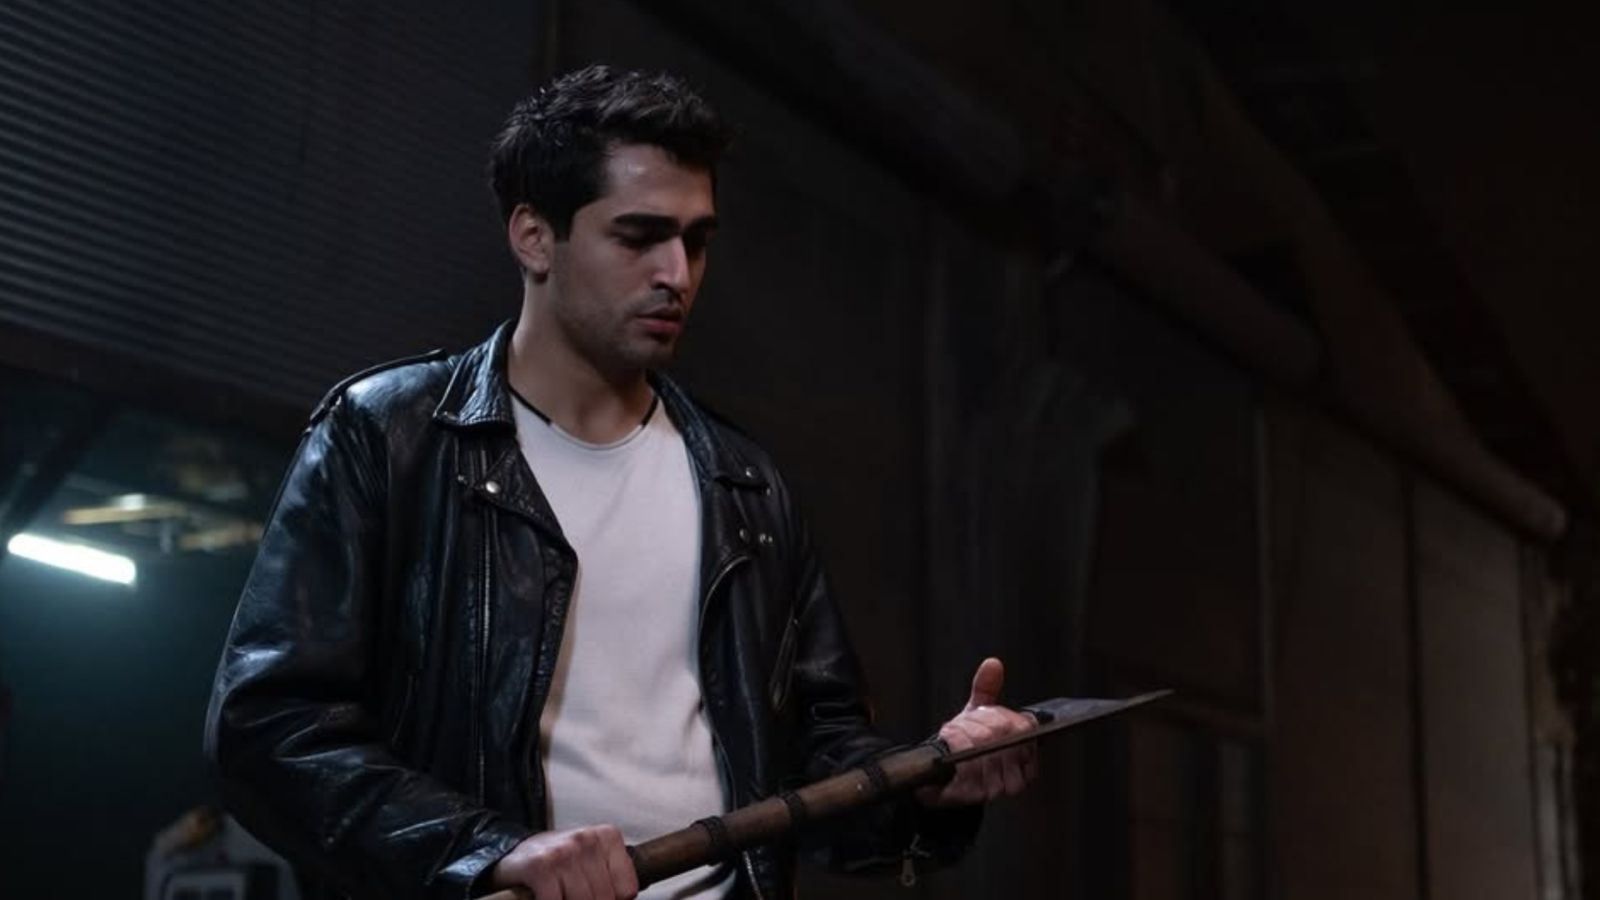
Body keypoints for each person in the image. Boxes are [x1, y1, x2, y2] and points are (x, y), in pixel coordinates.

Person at [205, 64, 1037, 900]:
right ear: (535, 237)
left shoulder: (745, 485)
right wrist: (488, 851)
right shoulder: (390, 437)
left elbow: (816, 757)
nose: (679, 273)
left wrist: (932, 776)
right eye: (640, 237)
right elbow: (270, 729)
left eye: (697, 241)